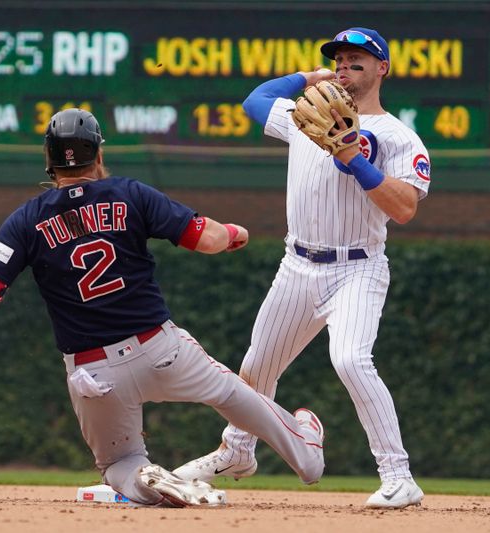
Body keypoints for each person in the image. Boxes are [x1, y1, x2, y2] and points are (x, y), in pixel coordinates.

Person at [0, 108, 325, 508]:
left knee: (118, 463)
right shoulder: (130, 194)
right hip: (161, 349)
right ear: (100, 154)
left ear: (49, 161)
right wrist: (235, 233)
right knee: (235, 395)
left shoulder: (26, 221)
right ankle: (305, 456)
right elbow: (208, 239)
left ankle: (149, 481)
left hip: (93, 371)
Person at [173, 27, 430, 509]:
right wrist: (306, 76)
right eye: (339, 60)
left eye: (358, 60)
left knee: (351, 359)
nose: (345, 66)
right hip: (298, 265)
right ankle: (238, 451)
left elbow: (404, 208)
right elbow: (255, 100)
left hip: (358, 267)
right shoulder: (304, 117)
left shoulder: (398, 136)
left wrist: (354, 157)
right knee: (255, 367)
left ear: (382, 69)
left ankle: (398, 475)